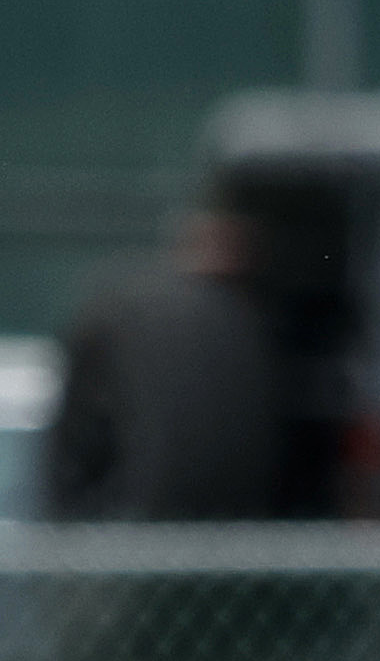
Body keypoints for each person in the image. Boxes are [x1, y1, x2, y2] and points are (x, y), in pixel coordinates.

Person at [43, 209, 289, 521]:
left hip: (138, 528)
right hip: (214, 530)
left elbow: (74, 447)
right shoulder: (239, 322)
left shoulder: (122, 310)